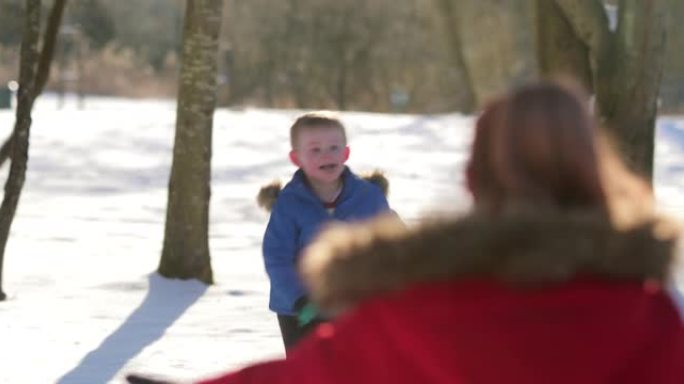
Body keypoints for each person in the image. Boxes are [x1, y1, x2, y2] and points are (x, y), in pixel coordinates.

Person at [128, 82, 684, 384]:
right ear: (596, 170)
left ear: (476, 177)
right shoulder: (656, 312)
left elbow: (310, 376)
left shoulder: (423, 309)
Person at [256, 111, 392, 353]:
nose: (326, 155)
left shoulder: (368, 198)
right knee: (310, 370)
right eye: (315, 150)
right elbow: (277, 257)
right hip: (301, 309)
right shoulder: (289, 204)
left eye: (333, 147)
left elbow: (394, 244)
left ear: (345, 153)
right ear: (296, 158)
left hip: (356, 302)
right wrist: (299, 298)